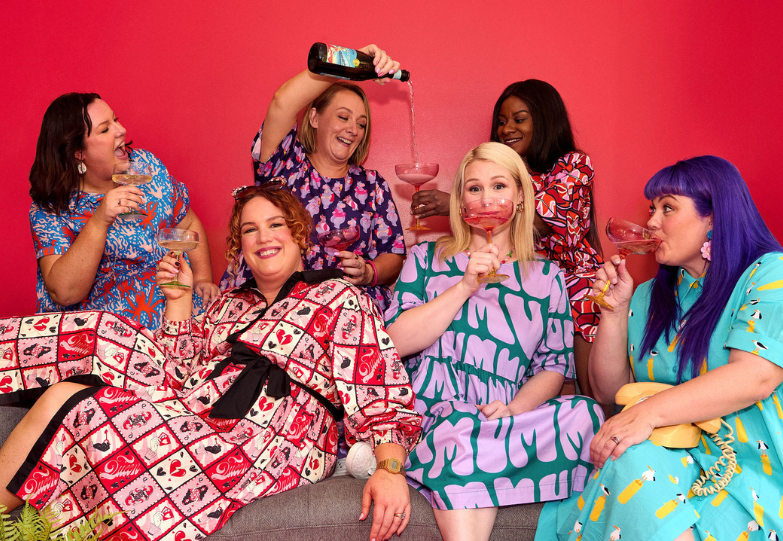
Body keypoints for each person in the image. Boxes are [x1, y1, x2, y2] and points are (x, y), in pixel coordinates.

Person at [0, 185, 421, 541]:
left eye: (275, 224)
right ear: (241, 246)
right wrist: (180, 300)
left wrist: (389, 468)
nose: (263, 237)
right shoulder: (227, 305)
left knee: (79, 403)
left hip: (276, 434)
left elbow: (378, 389)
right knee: (95, 340)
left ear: (299, 236)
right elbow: (176, 373)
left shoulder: (340, 296)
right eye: (250, 230)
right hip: (194, 412)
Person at [518, 156, 783, 541]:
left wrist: (648, 415)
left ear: (714, 216)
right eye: (651, 208)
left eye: (667, 208)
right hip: (677, 474)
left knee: (641, 480)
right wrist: (614, 313)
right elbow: (609, 391)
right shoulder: (654, 295)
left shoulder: (775, 275)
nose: (651, 221)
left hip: (763, 483)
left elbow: (755, 378)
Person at [386, 142, 603, 541]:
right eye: (474, 188)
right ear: (460, 201)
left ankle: (472, 455)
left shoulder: (548, 278)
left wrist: (513, 409)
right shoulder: (426, 260)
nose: (485, 198)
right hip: (438, 410)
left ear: (520, 197)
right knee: (460, 430)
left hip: (506, 415)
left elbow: (553, 367)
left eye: (499, 186)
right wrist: (465, 285)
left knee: (587, 417)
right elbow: (394, 342)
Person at [412, 80, 603, 397]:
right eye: (501, 121)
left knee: (584, 298)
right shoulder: (503, 169)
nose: (507, 128)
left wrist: (457, 206)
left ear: (544, 120)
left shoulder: (573, 165)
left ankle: (592, 403)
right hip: (514, 265)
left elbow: (543, 223)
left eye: (519, 119)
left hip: (569, 272)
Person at [221, 45, 407, 314]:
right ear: (314, 117)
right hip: (274, 308)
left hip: (345, 312)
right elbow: (282, 102)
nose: (353, 129)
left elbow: (393, 253)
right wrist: (348, 65)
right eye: (343, 117)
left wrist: (368, 272)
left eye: (361, 123)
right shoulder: (285, 167)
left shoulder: (372, 185)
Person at [28, 92, 220, 329]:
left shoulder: (146, 167)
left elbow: (187, 224)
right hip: (105, 336)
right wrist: (99, 220)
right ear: (78, 152)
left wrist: (202, 279)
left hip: (177, 318)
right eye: (105, 129)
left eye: (116, 120)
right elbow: (65, 293)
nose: (121, 130)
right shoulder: (52, 209)